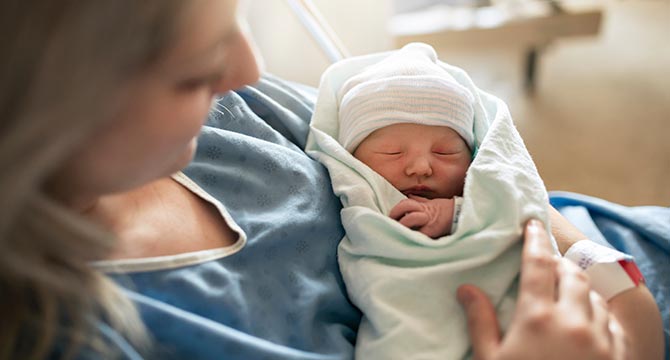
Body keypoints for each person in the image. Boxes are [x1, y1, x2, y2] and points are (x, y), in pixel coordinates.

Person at [0, 1, 663, 360]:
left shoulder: (235, 111)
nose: (248, 67)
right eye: (193, 68)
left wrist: (619, 287)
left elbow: (500, 165)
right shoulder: (89, 336)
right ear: (43, 103)